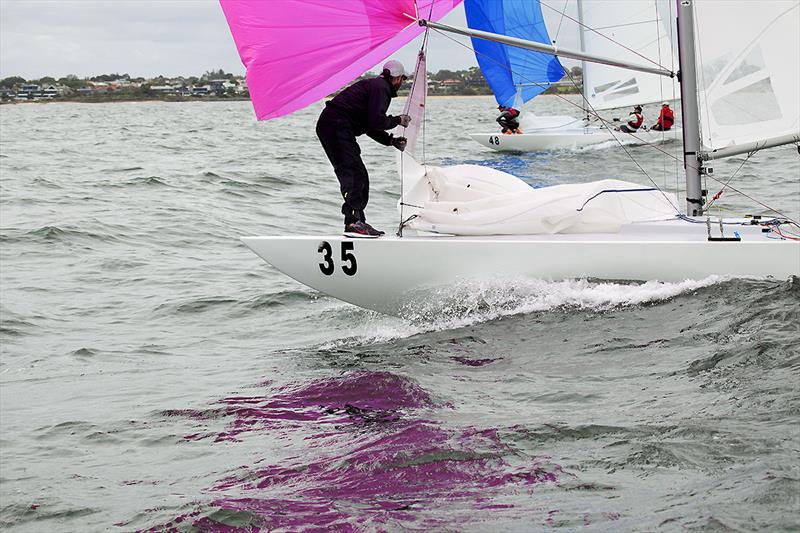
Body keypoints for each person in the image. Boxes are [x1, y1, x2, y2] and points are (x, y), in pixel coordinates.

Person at [316, 59, 411, 237]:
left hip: (334, 126)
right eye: (402, 79)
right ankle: (352, 223)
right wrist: (398, 120)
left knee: (358, 174)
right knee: (354, 174)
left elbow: (369, 124)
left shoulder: (376, 86)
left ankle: (358, 222)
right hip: (335, 126)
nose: (401, 83)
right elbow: (377, 121)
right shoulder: (381, 88)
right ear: (397, 78)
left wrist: (391, 141)